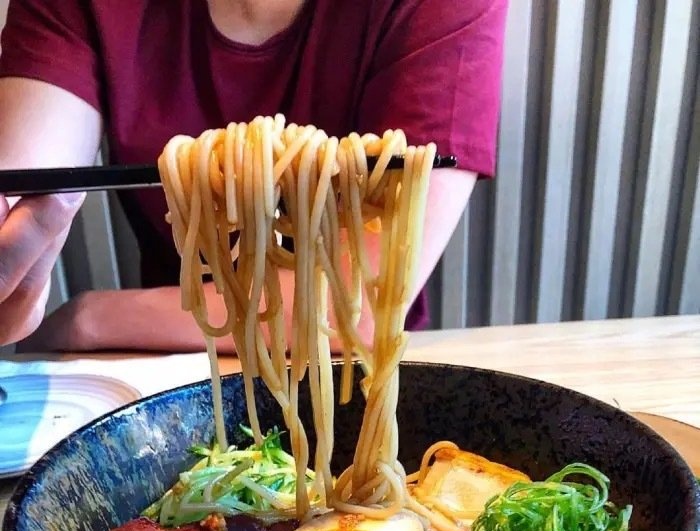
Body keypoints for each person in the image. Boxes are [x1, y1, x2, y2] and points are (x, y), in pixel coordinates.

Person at [0, 0, 507, 352]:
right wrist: (18, 262)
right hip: (167, 368)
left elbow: (358, 307)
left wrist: (89, 317)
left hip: (355, 371)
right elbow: (26, 187)